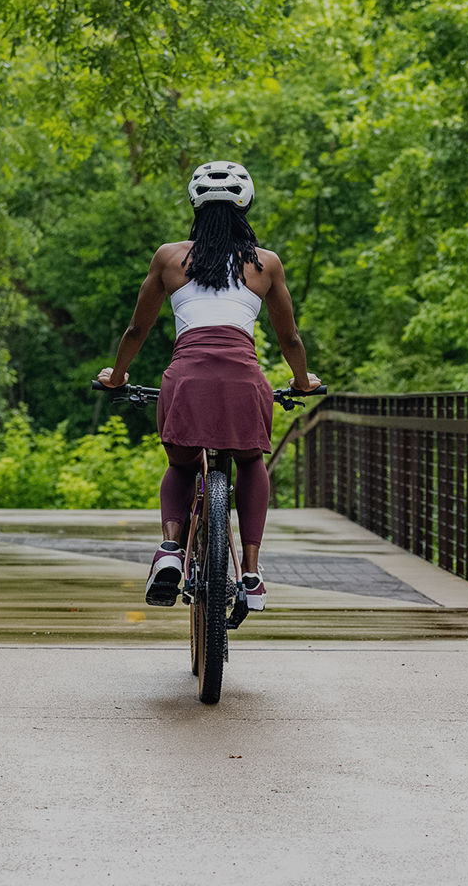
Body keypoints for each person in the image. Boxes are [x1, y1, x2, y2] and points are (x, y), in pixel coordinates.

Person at [97, 160, 321, 612]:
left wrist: (117, 376)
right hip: (245, 380)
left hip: (187, 380)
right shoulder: (266, 264)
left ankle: (170, 550)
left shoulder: (169, 257)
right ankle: (253, 575)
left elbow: (137, 331)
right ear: (246, 206)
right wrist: (301, 381)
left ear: (195, 206)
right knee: (251, 462)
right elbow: (289, 337)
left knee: (181, 465)